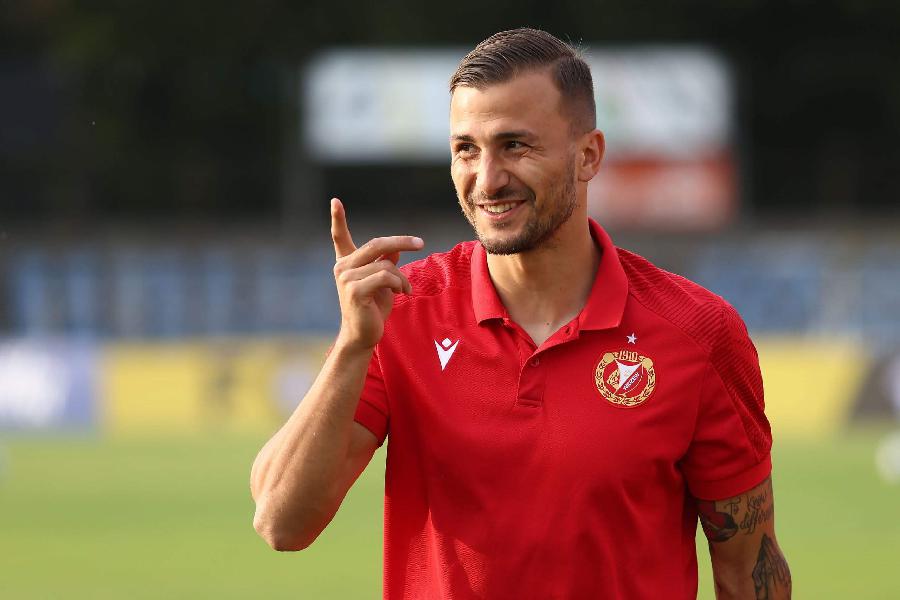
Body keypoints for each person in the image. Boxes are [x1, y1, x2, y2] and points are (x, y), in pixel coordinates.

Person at [251, 28, 791, 599]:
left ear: (589, 155)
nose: (487, 179)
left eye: (515, 145)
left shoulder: (699, 333)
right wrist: (352, 346)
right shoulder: (403, 310)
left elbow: (748, 574)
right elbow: (282, 524)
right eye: (466, 149)